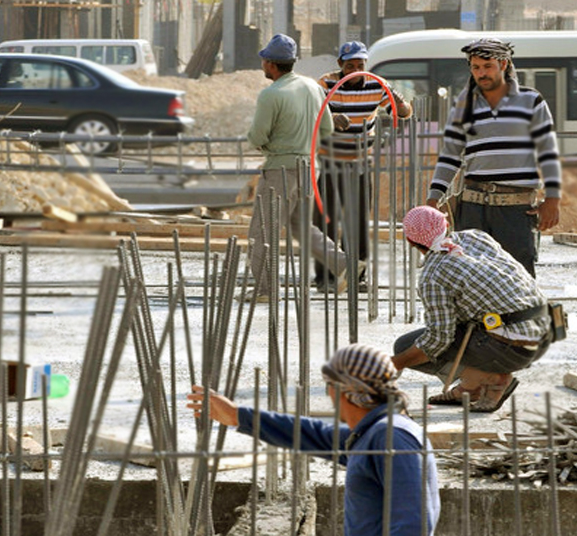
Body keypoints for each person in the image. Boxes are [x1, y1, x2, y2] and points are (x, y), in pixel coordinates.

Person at [187, 343, 440, 535]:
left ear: (343, 390)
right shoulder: (373, 433)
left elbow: (412, 523)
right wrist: (238, 416)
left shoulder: (390, 437)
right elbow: (312, 434)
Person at [392, 206, 554, 412]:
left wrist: (395, 363)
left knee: (406, 347)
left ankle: (494, 379)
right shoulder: (475, 237)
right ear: (447, 224)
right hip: (544, 329)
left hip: (517, 346)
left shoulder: (433, 275)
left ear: (409, 241)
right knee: (463, 322)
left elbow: (438, 339)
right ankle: (471, 388)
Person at [426, 37, 562, 277]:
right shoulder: (463, 106)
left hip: (515, 210)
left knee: (518, 277)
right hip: (472, 209)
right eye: (476, 67)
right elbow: (450, 156)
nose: (482, 73)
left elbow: (548, 153)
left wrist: (553, 199)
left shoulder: (532, 101)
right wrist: (432, 199)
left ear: (504, 65)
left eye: (487, 66)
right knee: (472, 277)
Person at [246, 34, 348, 301]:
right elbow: (326, 128)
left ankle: (265, 289)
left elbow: (257, 136)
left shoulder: (271, 95)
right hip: (309, 169)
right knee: (301, 226)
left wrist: (265, 144)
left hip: (281, 170)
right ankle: (344, 264)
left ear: (270, 64)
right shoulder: (313, 88)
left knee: (262, 231)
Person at [314, 41, 413, 292]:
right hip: (330, 161)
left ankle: (355, 277)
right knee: (326, 220)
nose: (356, 69)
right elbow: (310, 112)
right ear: (340, 65)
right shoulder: (325, 84)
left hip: (360, 161)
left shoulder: (376, 84)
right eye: (350, 65)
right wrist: (330, 117)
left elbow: (403, 113)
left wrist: (400, 101)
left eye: (360, 64)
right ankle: (325, 278)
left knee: (356, 223)